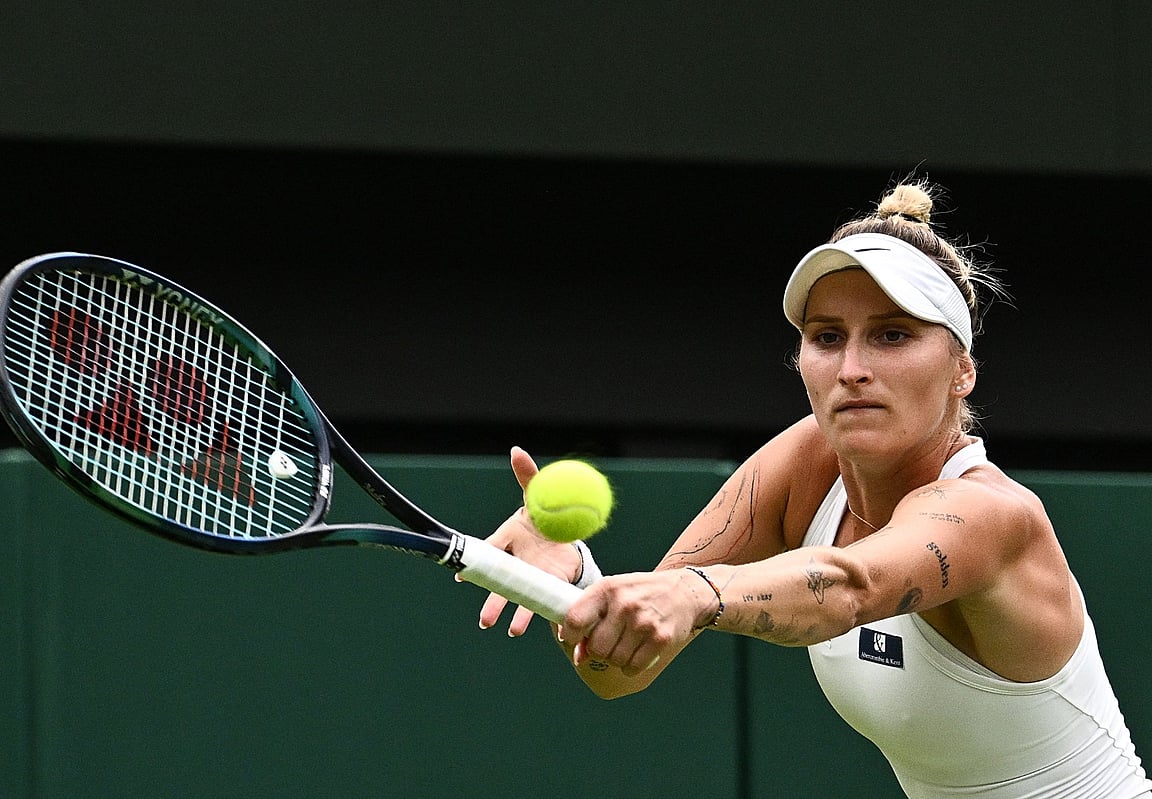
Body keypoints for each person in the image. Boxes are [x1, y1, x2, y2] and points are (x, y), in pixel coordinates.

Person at [475, 179, 1152, 797]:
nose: (852, 368)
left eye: (892, 335)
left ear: (960, 370)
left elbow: (850, 584)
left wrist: (694, 592)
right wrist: (574, 586)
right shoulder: (806, 461)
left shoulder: (991, 515)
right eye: (828, 337)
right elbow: (623, 671)